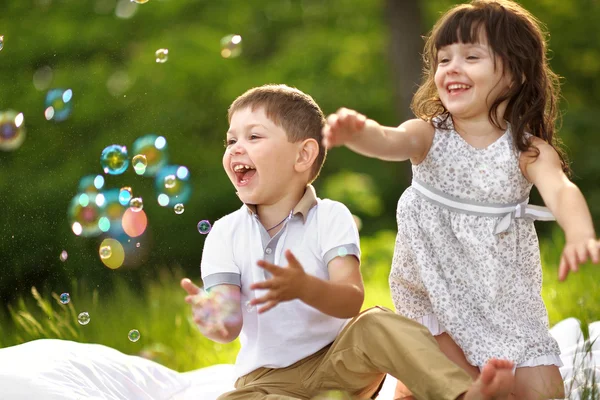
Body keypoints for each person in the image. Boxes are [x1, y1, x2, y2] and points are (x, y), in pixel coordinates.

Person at [322, 1, 599, 399]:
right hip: (440, 294)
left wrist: (580, 234)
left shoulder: (527, 150)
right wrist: (360, 132)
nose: (452, 67)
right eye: (443, 58)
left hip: (505, 301)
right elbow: (389, 141)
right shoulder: (429, 134)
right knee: (450, 382)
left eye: (471, 56)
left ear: (516, 72)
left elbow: (560, 189)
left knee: (545, 392)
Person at [181, 83, 516, 400]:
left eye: (253, 136)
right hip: (266, 382)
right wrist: (211, 318)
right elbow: (227, 327)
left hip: (338, 364)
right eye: (230, 141)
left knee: (378, 321)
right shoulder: (224, 234)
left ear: (303, 156)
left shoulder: (329, 216)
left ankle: (459, 393)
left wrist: (304, 287)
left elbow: (351, 299)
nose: (236, 148)